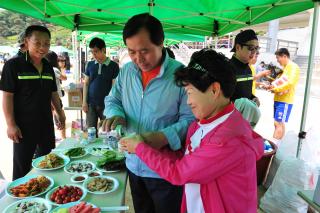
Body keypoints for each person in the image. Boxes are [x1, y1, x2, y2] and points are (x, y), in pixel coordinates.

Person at [120, 49, 264, 213]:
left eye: (190, 93)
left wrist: (140, 148)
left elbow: (179, 173)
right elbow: (186, 159)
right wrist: (149, 145)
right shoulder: (201, 125)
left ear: (214, 90)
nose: (188, 102)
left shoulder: (227, 139)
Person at [102, 13, 194, 213]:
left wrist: (161, 137)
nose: (138, 58)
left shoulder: (180, 75)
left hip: (166, 170)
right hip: (134, 164)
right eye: (131, 51)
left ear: (161, 43)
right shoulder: (127, 71)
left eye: (145, 51)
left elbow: (191, 120)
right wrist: (117, 114)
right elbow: (112, 99)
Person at [0, 25, 65, 180]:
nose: (43, 47)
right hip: (23, 126)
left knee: (48, 162)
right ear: (26, 41)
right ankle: (20, 201)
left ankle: (44, 197)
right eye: (37, 43)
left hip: (46, 124)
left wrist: (60, 113)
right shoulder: (13, 65)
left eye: (47, 43)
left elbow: (53, 93)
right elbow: (7, 96)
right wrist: (11, 125)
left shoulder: (48, 67)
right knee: (22, 165)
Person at [82, 37, 119, 132]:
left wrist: (112, 105)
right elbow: (86, 84)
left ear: (103, 50)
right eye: (92, 52)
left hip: (106, 105)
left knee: (106, 131)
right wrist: (84, 102)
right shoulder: (90, 64)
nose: (94, 55)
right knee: (91, 131)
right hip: (91, 104)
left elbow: (114, 87)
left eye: (96, 51)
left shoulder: (113, 66)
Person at [268, 48, 300, 140]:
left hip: (285, 100)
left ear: (284, 56)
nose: (277, 60)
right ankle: (279, 145)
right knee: (279, 123)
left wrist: (276, 89)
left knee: (278, 123)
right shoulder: (285, 68)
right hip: (279, 99)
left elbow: (290, 83)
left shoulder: (293, 67)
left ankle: (274, 145)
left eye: (278, 58)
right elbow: (281, 82)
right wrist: (272, 86)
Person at [230, 29, 260, 106]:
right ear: (238, 47)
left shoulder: (248, 69)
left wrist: (253, 98)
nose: (254, 52)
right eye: (251, 48)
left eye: (256, 48)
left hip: (245, 116)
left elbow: (246, 93)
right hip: (230, 116)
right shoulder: (227, 68)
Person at [45, 51, 67, 139]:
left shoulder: (45, 68)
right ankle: (63, 137)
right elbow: (64, 78)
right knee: (61, 117)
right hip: (55, 97)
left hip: (46, 98)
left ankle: (52, 136)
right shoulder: (54, 69)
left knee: (51, 117)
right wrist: (62, 67)